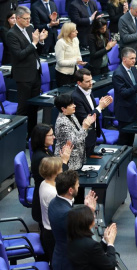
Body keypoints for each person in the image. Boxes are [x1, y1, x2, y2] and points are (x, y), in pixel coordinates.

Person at [7, 6, 48, 138]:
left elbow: (36, 52)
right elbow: (19, 55)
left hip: (35, 73)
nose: (28, 21)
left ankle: (32, 136)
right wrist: (34, 43)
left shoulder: (30, 28)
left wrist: (40, 41)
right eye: (25, 19)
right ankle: (19, 137)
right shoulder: (11, 34)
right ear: (17, 18)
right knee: (23, 108)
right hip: (24, 76)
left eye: (29, 18)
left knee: (34, 108)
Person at [49, 170, 97, 270]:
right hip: (67, 263)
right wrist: (90, 211)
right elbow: (84, 232)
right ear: (70, 190)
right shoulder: (66, 214)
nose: (78, 186)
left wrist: (85, 209)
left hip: (59, 254)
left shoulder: (54, 202)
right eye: (77, 184)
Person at [31, 124, 71, 225]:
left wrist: (61, 160)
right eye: (51, 135)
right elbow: (59, 178)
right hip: (44, 203)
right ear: (42, 137)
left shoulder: (45, 150)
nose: (54, 137)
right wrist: (64, 161)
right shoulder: (41, 157)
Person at [113, 47, 137, 146]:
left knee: (132, 137)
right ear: (124, 59)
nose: (134, 60)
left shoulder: (133, 69)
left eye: (135, 58)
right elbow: (123, 93)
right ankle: (123, 159)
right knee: (124, 140)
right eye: (132, 58)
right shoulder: (118, 74)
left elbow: (136, 84)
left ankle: (130, 157)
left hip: (134, 108)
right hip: (125, 112)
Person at [71, 68, 113, 156]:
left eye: (91, 80)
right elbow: (85, 119)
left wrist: (102, 106)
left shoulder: (88, 90)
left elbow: (93, 109)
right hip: (85, 136)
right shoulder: (76, 97)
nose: (91, 83)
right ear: (79, 83)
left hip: (93, 133)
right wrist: (100, 107)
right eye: (87, 81)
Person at [67, 205, 118, 269]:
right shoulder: (91, 245)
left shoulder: (73, 238)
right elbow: (110, 266)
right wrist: (110, 244)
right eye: (91, 214)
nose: (94, 216)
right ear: (85, 220)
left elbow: (92, 252)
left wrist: (104, 240)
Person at [54, 94, 96, 170]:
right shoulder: (62, 122)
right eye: (71, 104)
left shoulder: (72, 115)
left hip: (78, 157)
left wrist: (87, 124)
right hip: (70, 162)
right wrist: (84, 128)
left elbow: (78, 133)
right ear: (63, 109)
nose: (74, 106)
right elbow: (74, 142)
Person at [38, 157, 64, 264]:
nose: (62, 170)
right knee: (56, 263)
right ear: (54, 172)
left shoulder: (44, 183)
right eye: (60, 168)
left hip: (48, 230)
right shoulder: (52, 192)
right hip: (53, 233)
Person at [55, 22, 87, 87]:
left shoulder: (75, 39)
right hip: (63, 74)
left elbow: (78, 53)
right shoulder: (60, 43)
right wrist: (75, 62)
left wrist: (80, 61)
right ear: (68, 32)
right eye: (74, 31)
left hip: (75, 71)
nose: (77, 32)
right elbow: (60, 62)